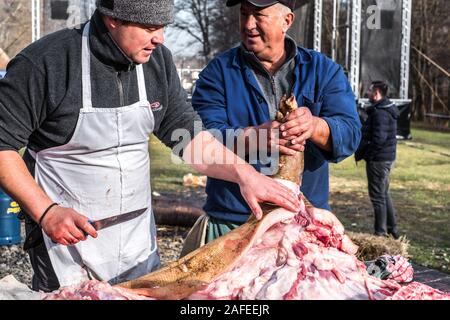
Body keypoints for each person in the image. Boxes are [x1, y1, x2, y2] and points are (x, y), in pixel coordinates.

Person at [0, 0, 301, 292]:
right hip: (65, 243)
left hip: (137, 240)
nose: (159, 38)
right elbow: (3, 147)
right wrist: (46, 211)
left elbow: (189, 138)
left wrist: (245, 175)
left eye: (163, 26)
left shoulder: (158, 62)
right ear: (112, 18)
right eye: (148, 27)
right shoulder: (46, 63)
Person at [181, 0, 361, 252]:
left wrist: (315, 126)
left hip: (304, 222)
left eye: (259, 15)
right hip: (234, 222)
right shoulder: (218, 73)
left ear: (287, 21)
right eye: (243, 14)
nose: (248, 24)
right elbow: (198, 143)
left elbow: (350, 133)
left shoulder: (324, 71)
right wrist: (253, 137)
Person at [356, 81, 400, 239]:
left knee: (377, 196)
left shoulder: (380, 113)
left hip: (379, 161)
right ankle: (392, 229)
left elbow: (378, 139)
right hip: (386, 159)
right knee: (384, 193)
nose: (367, 93)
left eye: (369, 90)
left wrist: (368, 154)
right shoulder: (383, 109)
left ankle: (380, 233)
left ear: (376, 93)